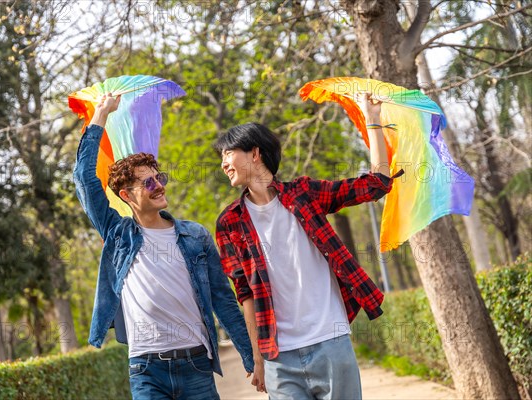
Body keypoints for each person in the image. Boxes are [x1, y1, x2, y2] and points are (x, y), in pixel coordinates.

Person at [214, 93, 403, 398]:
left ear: (254, 154)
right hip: (278, 356)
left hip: (330, 341)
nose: (223, 163)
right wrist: (257, 358)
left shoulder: (304, 194)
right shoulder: (229, 222)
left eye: (228, 153)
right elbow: (245, 294)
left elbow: (376, 184)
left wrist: (373, 120)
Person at [73, 93, 254, 399]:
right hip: (146, 370)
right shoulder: (119, 235)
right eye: (148, 182)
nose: (159, 185)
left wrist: (251, 357)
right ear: (127, 196)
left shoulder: (195, 236)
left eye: (159, 177)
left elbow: (223, 300)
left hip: (196, 364)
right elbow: (84, 179)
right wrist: (100, 115)